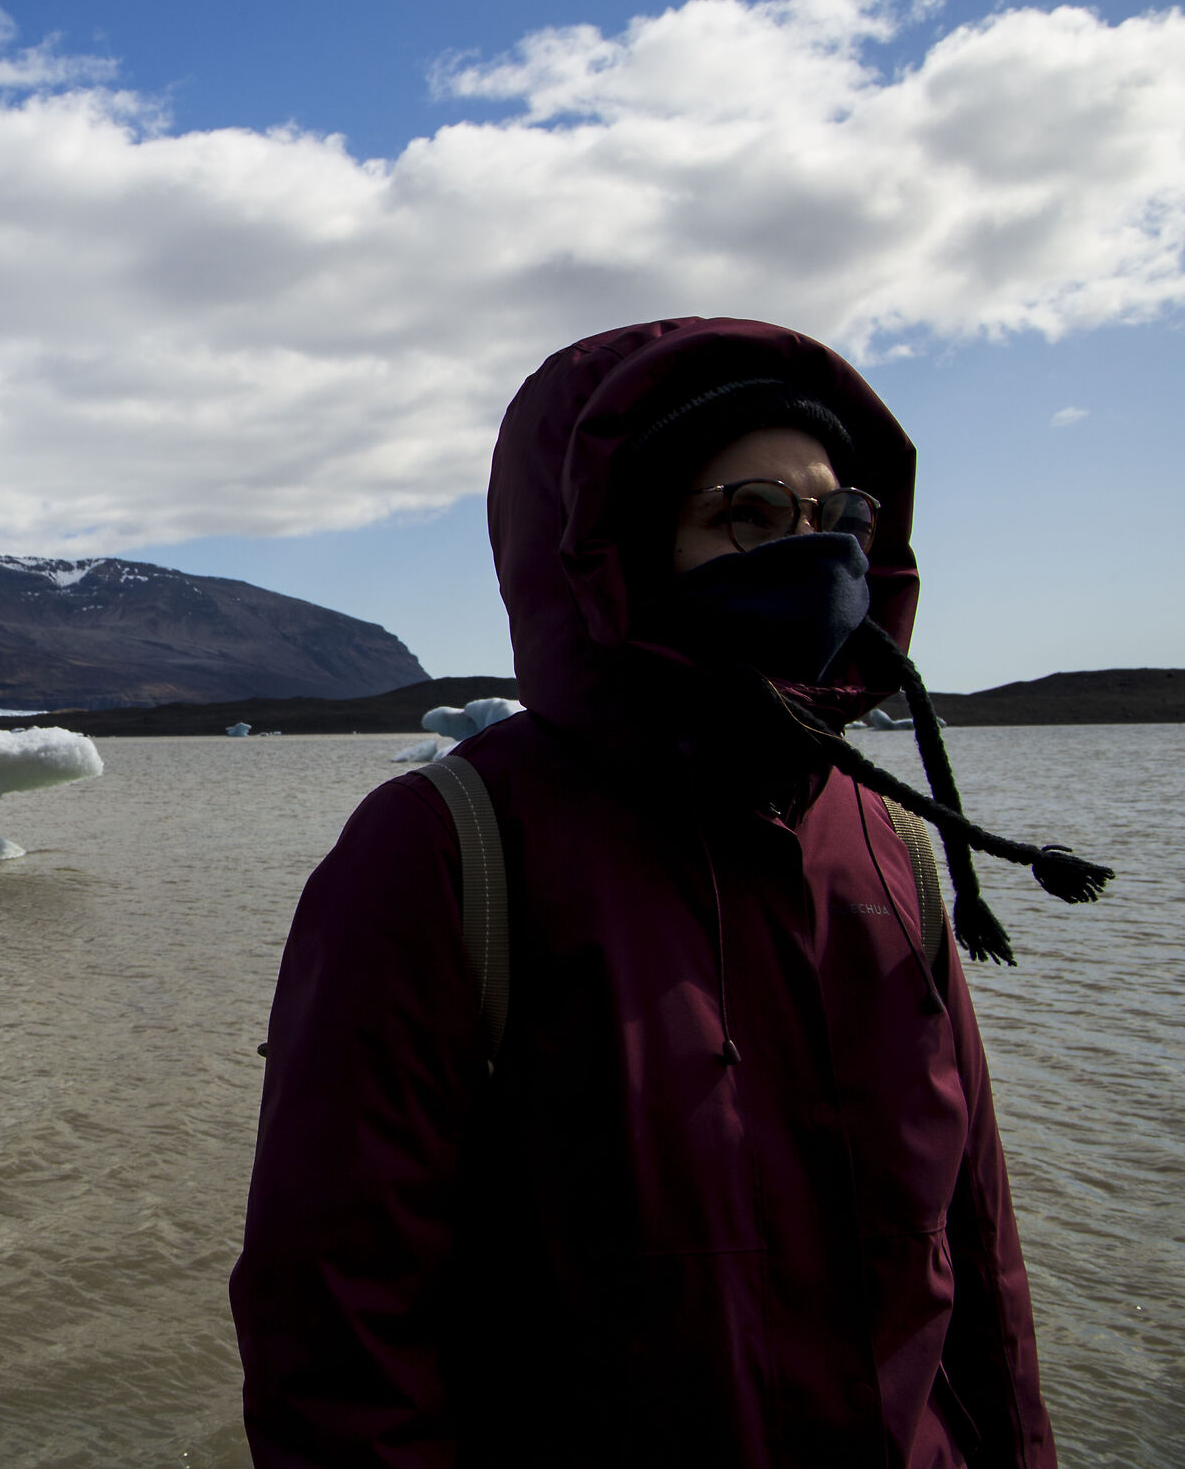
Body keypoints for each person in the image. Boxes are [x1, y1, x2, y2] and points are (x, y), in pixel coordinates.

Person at [230, 317, 1109, 1467]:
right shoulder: (446, 852)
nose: (815, 554)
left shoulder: (891, 845)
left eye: (836, 518)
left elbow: (980, 1255)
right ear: (621, 544)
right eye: (747, 515)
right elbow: (337, 1332)